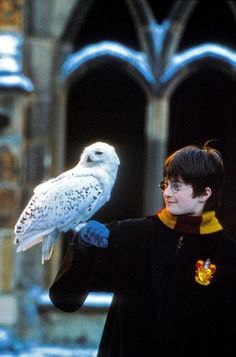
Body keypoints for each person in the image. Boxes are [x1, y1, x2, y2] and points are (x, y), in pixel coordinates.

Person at [49, 143, 236, 357]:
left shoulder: (226, 254)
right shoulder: (129, 235)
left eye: (177, 186)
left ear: (204, 193)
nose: (167, 193)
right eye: (165, 184)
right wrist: (83, 247)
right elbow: (66, 299)